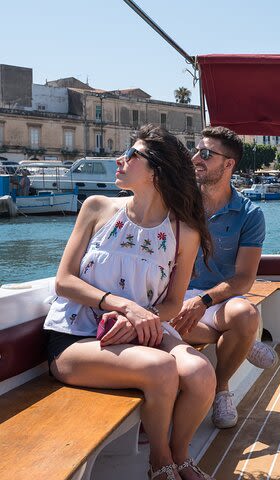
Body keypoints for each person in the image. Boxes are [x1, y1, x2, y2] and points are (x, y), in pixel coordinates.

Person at [44, 125, 217, 480]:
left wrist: (144, 317)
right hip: (79, 337)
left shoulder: (183, 231)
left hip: (146, 330)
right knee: (160, 368)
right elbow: (64, 281)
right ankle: (160, 458)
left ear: (156, 170)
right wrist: (123, 307)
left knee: (200, 373)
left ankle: (182, 454)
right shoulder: (98, 208)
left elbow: (172, 303)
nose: (120, 160)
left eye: (132, 154)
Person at [171, 126, 277, 430]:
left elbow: (244, 278)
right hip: (176, 296)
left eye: (206, 154)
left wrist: (204, 301)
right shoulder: (179, 204)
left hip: (219, 299)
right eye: (196, 150)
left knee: (245, 315)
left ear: (228, 164)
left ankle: (221, 389)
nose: (195, 158)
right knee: (172, 320)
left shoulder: (249, 213)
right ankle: (241, 344)